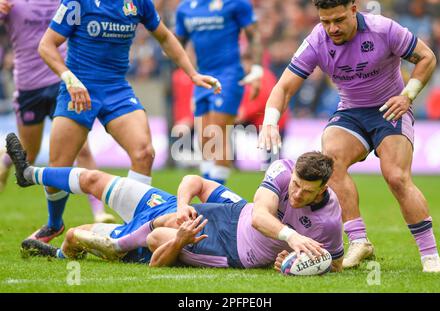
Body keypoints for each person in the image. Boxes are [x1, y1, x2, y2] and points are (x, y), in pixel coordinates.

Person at [258, 0, 440, 272]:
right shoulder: (316, 41)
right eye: (325, 21)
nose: (332, 28)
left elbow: (427, 57)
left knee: (396, 177)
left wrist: (408, 95)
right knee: (330, 160)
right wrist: (270, 121)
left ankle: (429, 255)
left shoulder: (383, 29)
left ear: (354, 9)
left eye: (339, 20)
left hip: (390, 108)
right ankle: (359, 241)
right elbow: (284, 87)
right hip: (351, 112)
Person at [33, 0, 221, 242]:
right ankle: (54, 223)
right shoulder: (78, 3)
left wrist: (192, 73)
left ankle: (131, 230)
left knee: (144, 153)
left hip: (116, 89)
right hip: (78, 87)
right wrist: (69, 78)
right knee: (58, 166)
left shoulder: (139, 3)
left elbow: (164, 37)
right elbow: (46, 45)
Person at [6, 132, 238, 263]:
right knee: (93, 179)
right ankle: (28, 174)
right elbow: (193, 181)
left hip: (142, 241)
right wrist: (182, 205)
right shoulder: (244, 209)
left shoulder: (240, 253)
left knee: (74, 236)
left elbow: (156, 249)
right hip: (163, 204)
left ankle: (58, 254)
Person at [113, 152, 344, 271]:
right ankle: (119, 243)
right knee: (172, 217)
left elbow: (333, 265)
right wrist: (292, 237)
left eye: (306, 191)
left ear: (323, 188)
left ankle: (115, 241)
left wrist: (296, 262)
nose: (296, 194)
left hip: (234, 250)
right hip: (237, 212)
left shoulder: (329, 222)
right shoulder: (283, 169)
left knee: (156, 237)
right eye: (295, 184)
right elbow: (259, 216)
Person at [0, 0, 115, 225]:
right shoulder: (12, 2)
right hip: (28, 87)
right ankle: (5, 162)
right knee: (28, 156)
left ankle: (99, 212)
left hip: (63, 82)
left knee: (82, 150)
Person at [175, 0, 263, 185]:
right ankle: (209, 190)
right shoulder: (184, 9)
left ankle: (216, 195)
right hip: (201, 76)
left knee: (218, 132)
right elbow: (176, 43)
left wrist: (256, 70)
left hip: (229, 75)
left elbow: (254, 35)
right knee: (204, 138)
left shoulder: (236, 3)